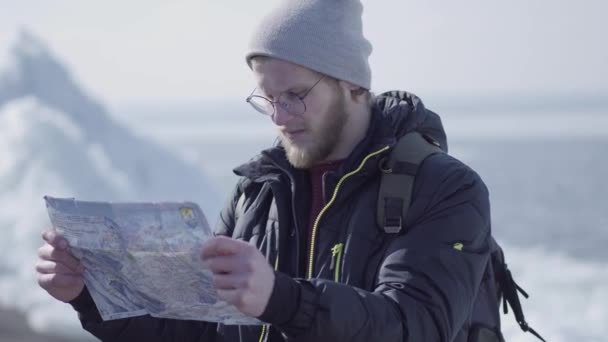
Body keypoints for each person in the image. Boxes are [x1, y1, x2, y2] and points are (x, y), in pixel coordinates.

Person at [36, 0, 508, 341]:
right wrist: (90, 294)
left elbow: (416, 326)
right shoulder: (255, 193)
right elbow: (201, 330)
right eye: (269, 99)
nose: (279, 117)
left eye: (296, 96)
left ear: (354, 87)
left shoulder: (445, 187)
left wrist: (281, 299)